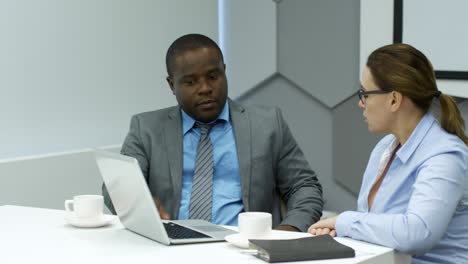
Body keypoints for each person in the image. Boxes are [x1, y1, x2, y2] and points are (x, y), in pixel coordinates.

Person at [103, 33, 323, 232]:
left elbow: (304, 186)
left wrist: (289, 230)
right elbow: (115, 189)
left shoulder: (266, 124)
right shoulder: (146, 128)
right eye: (190, 81)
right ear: (172, 85)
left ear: (224, 72)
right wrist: (140, 203)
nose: (205, 88)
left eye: (213, 76)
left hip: (245, 248)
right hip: (169, 248)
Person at [308, 43, 468, 263]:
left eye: (365, 94)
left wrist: (344, 222)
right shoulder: (384, 148)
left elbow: (417, 233)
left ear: (394, 99)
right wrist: (341, 230)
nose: (360, 104)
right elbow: (374, 227)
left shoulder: (445, 156)